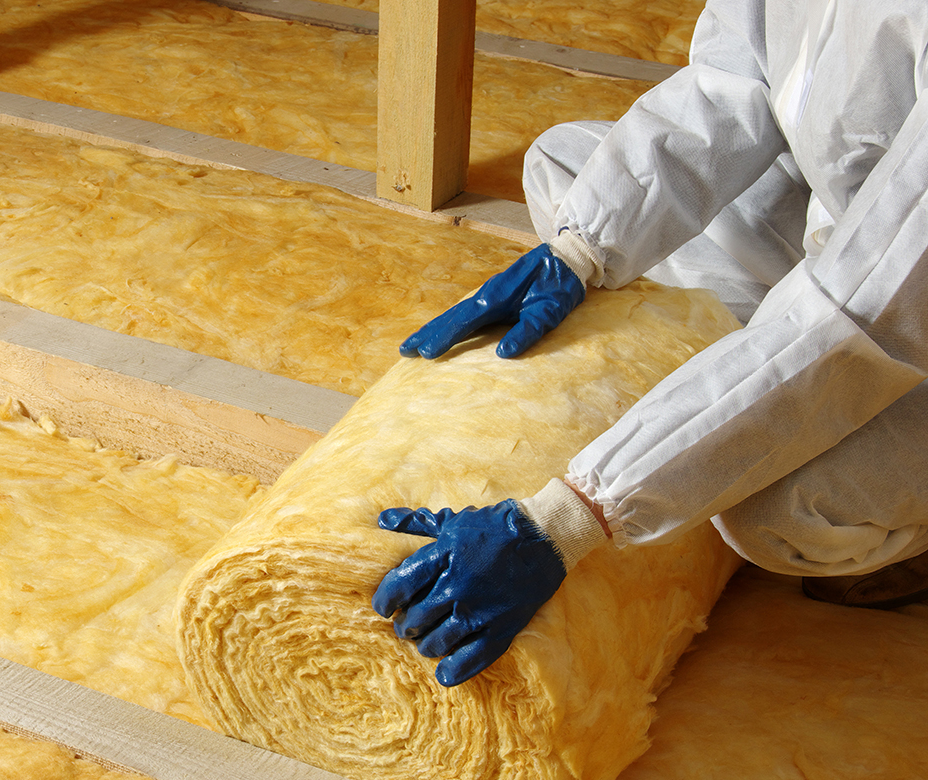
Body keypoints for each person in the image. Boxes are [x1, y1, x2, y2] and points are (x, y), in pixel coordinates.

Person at [373, 0, 928, 688]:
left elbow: (857, 317)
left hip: (899, 307)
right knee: (568, 167)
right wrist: (579, 252)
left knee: (780, 517)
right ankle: (737, 391)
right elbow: (728, 86)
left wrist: (570, 518)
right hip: (847, 226)